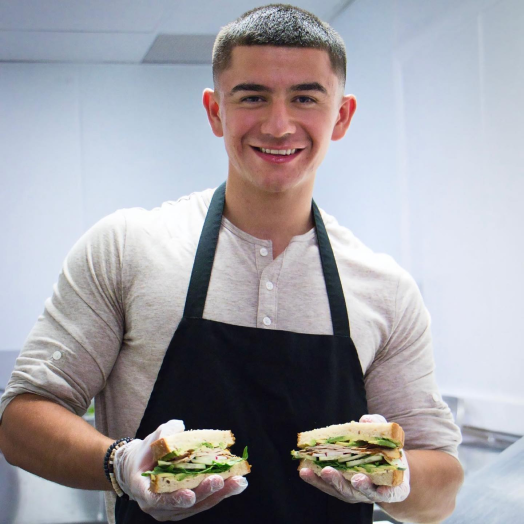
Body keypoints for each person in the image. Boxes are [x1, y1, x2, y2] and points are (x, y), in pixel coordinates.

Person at [0, 4, 464, 524]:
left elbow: (442, 486)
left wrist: (394, 473)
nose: (279, 123)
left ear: (342, 116)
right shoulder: (127, 247)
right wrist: (120, 463)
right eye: (253, 97)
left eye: (305, 98)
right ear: (215, 111)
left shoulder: (385, 289)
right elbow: (21, 419)